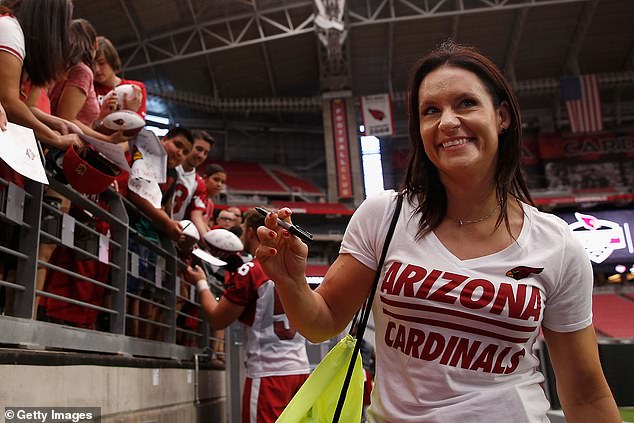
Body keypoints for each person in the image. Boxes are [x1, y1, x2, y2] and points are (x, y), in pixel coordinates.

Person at [256, 41, 620, 423]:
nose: (447, 121)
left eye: (466, 103)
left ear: (502, 117)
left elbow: (586, 393)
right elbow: (324, 320)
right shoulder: (384, 215)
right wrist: (292, 283)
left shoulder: (557, 243)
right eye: (431, 111)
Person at [185, 208, 310, 423]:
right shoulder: (293, 266)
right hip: (301, 369)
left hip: (269, 373)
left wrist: (201, 282)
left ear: (251, 232)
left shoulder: (251, 270)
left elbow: (218, 319)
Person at [0, 0, 81, 152]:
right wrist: (56, 138)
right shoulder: (10, 29)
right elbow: (8, 102)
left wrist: (59, 124)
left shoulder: (17, 34)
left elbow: (26, 106)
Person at [171, 130, 214, 241]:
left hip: (175, 233)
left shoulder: (199, 184)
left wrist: (207, 241)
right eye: (199, 149)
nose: (201, 155)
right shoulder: (169, 166)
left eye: (205, 153)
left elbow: (196, 216)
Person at [93, 36, 146, 118]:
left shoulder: (136, 88)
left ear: (112, 60)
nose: (97, 69)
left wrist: (131, 112)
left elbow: (138, 125)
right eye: (92, 65)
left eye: (101, 63)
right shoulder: (89, 89)